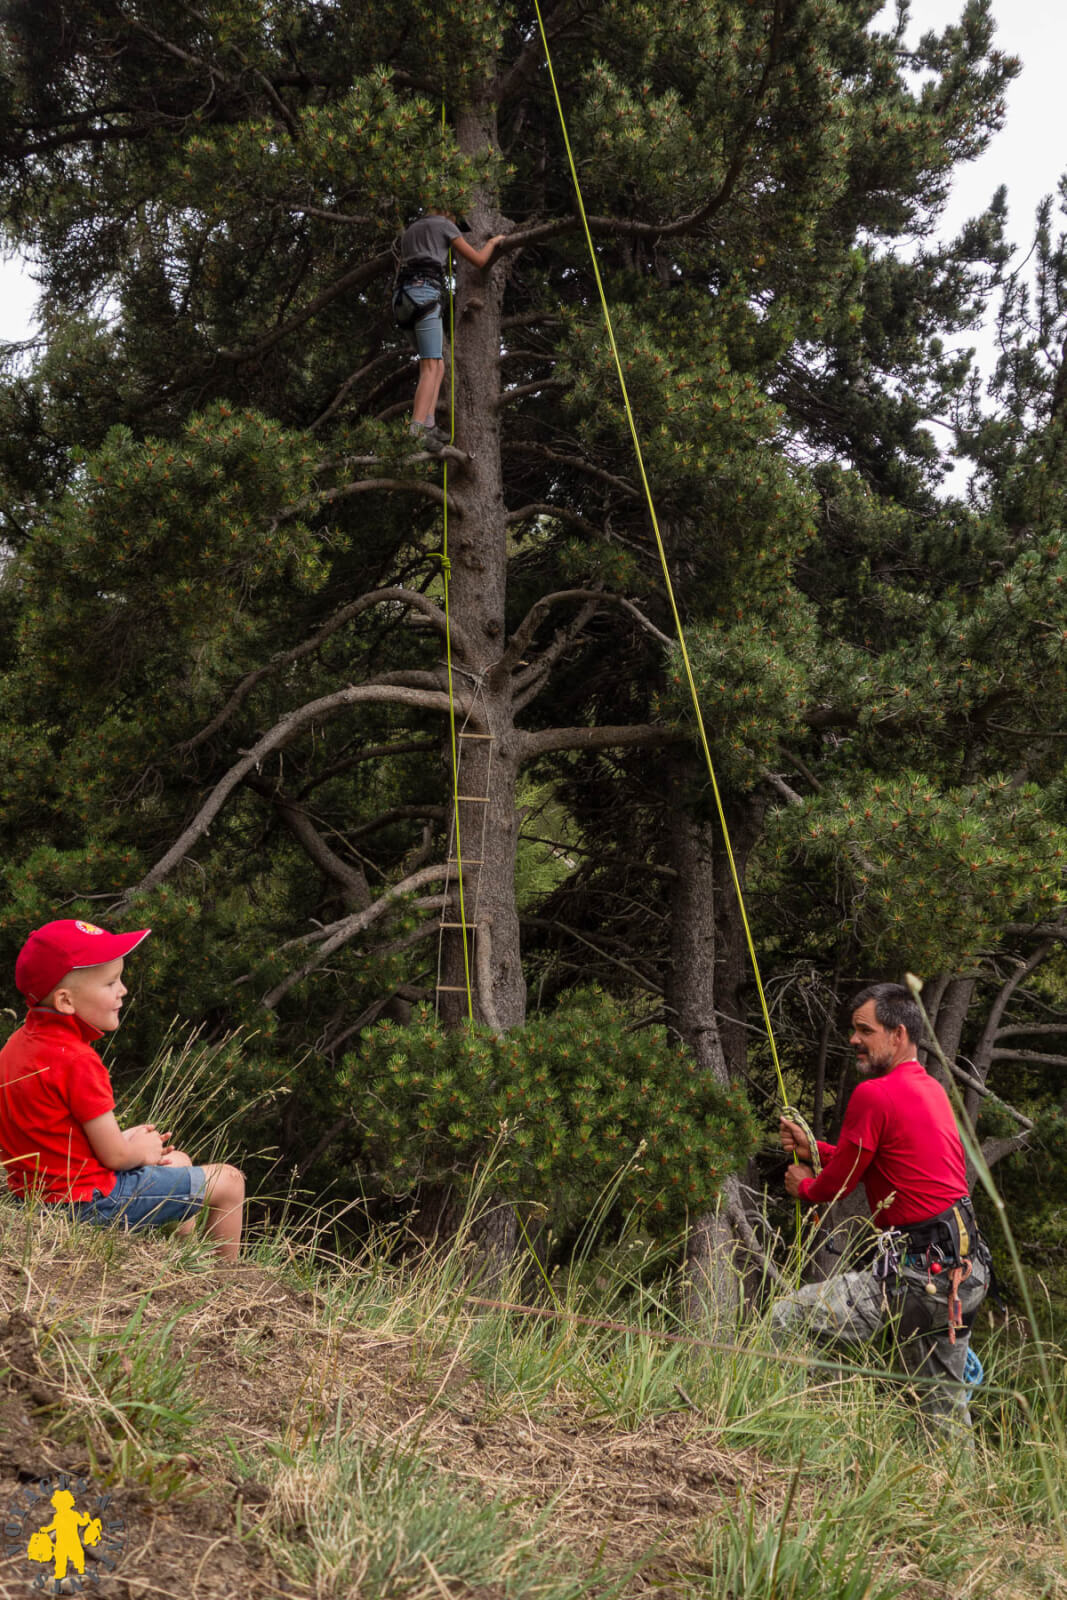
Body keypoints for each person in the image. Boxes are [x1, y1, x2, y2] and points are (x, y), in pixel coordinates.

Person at [772, 981, 990, 1432]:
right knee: (944, 1413)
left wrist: (805, 1187)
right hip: (961, 1275)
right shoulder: (929, 1089)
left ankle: (793, 1432)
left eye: (864, 1030)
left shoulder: (875, 1095)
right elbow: (869, 1159)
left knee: (786, 1319)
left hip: (916, 1278)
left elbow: (837, 1185)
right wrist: (816, 1149)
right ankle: (961, 1495)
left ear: (898, 1035)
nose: (853, 1039)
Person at [0, 918, 244, 1262]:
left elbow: (43, 1134)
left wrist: (122, 1138)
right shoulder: (78, 1061)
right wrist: (138, 1150)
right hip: (88, 1204)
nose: (123, 990)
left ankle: (181, 1262)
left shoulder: (16, 1047)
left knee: (180, 1162)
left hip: (34, 1201)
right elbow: (115, 1158)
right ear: (66, 1001)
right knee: (230, 1182)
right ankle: (228, 1287)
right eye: (111, 982)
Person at [393, 208, 506, 452]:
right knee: (431, 365)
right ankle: (415, 431)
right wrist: (494, 242)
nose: (455, 223)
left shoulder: (411, 230)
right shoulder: (444, 224)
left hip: (402, 300)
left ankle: (429, 424)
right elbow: (479, 260)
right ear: (447, 211)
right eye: (456, 219)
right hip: (424, 296)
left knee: (438, 364)